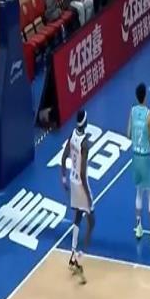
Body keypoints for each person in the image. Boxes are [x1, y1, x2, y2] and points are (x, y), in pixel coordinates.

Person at [61, 110, 95, 285]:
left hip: (73, 181)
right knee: (91, 220)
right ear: (86, 122)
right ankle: (79, 257)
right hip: (81, 184)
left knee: (78, 217)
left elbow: (64, 157)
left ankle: (73, 254)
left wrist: (63, 177)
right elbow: (82, 173)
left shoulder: (73, 135)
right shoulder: (85, 144)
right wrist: (88, 195)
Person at [127, 83, 150, 242]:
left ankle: (139, 227)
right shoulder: (149, 114)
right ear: (145, 96)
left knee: (138, 193)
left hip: (135, 156)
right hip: (145, 157)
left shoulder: (132, 111)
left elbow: (128, 134)